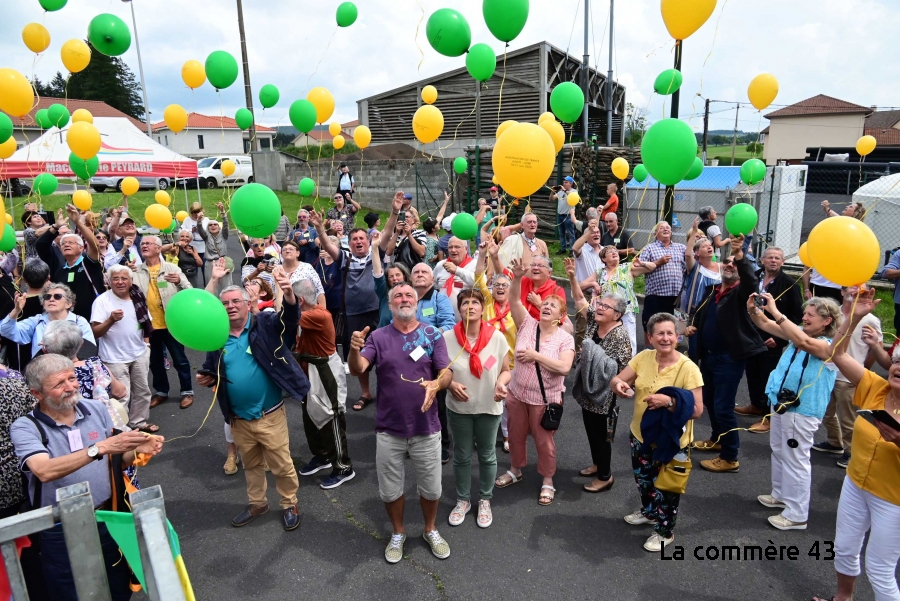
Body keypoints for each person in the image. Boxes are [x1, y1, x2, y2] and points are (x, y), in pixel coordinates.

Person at [10, 354, 164, 601]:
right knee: (71, 593)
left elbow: (113, 459)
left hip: (106, 517)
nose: (70, 386)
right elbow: (44, 470)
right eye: (59, 384)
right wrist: (99, 448)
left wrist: (135, 451)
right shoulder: (25, 427)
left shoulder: (95, 409)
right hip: (60, 529)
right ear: (37, 394)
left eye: (72, 378)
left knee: (117, 587)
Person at [348, 282, 453, 563]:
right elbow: (358, 368)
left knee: (431, 488)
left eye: (409, 295)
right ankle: (398, 533)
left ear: (417, 302)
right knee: (390, 488)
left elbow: (446, 373)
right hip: (389, 428)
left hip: (426, 427)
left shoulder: (432, 334)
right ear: (391, 305)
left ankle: (430, 529)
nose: (404, 298)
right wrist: (354, 349)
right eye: (398, 296)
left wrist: (437, 383)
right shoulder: (379, 337)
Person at [197, 270, 308, 530]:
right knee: (252, 465)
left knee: (281, 464)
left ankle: (289, 502)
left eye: (236, 301)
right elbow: (210, 369)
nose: (230, 307)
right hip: (238, 417)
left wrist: (289, 294)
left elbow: (290, 320)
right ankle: (258, 503)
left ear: (248, 304)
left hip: (269, 414)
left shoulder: (265, 325)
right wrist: (208, 378)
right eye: (225, 303)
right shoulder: (216, 337)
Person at [811, 288, 900, 601]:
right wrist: (854, 317)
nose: (898, 366)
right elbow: (836, 354)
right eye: (897, 360)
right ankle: (843, 598)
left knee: (879, 568)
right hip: (855, 483)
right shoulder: (876, 387)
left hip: (893, 500)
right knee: (845, 548)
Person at [610, 313, 704, 552]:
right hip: (641, 434)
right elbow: (620, 379)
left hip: (673, 441)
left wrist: (669, 402)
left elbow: (697, 410)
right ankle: (650, 513)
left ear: (677, 336)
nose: (665, 338)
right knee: (644, 480)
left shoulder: (688, 368)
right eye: (659, 334)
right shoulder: (643, 357)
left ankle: (665, 531)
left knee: (667, 488)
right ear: (650, 338)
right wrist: (618, 385)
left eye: (670, 333)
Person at [747, 291, 841, 530]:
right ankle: (780, 495)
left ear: (827, 321)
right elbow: (765, 323)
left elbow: (803, 343)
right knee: (779, 450)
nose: (804, 318)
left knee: (796, 460)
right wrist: (754, 310)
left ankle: (797, 514)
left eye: (810, 315)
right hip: (781, 403)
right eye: (804, 314)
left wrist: (777, 311)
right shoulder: (799, 334)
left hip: (803, 410)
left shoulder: (830, 346)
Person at [495, 258, 574, 506]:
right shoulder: (527, 324)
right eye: (546, 304)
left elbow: (564, 367)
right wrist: (517, 277)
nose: (547, 306)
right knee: (516, 436)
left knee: (544, 442)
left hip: (544, 399)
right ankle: (515, 470)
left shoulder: (564, 339)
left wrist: (535, 356)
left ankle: (548, 480)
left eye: (553, 305)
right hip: (517, 394)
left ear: (561, 316)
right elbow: (515, 300)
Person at [312, 194, 399, 412]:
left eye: (362, 239)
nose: (359, 242)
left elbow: (387, 233)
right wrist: (320, 229)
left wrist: (395, 211)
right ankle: (365, 393)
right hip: (353, 314)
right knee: (359, 354)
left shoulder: (375, 254)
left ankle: (386, 392)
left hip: (377, 312)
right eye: (354, 240)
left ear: (368, 241)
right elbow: (328, 246)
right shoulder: (344, 257)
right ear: (348, 244)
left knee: (383, 353)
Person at [687, 236, 766, 473]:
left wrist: (740, 256)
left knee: (723, 407)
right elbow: (700, 315)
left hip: (729, 359)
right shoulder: (713, 291)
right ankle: (717, 439)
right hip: (708, 356)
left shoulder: (742, 294)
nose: (730, 265)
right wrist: (694, 327)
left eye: (735, 264)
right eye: (727, 262)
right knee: (710, 401)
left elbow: (752, 282)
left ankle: (730, 457)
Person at [443, 289, 511, 528]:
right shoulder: (447, 337)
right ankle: (463, 500)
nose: (469, 306)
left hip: (488, 405)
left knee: (487, 455)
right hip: (459, 408)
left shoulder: (497, 337)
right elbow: (440, 372)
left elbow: (505, 369)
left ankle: (484, 498)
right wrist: (450, 384)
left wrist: (502, 383)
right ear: (458, 309)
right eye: (464, 303)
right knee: (461, 456)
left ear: (483, 308)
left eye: (475, 302)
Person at [566, 258, 633, 493]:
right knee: (591, 431)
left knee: (603, 436)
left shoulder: (620, 336)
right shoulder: (596, 321)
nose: (600, 308)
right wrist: (573, 277)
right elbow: (579, 300)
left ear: (617, 315)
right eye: (600, 304)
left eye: (606, 307)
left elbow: (623, 369)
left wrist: (590, 352)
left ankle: (605, 476)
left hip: (605, 396)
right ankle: (597, 464)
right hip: (588, 390)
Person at [293, 279, 354, 490]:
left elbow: (287, 318)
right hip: (308, 371)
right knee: (310, 416)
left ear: (299, 299)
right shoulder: (310, 314)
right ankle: (322, 456)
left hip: (324, 373)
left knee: (331, 417)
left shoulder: (318, 315)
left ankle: (343, 467)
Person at [812, 287, 881, 468]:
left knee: (848, 419)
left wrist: (862, 370)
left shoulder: (870, 319)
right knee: (826, 413)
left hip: (848, 377)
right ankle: (835, 442)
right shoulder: (832, 314)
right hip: (826, 372)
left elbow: (876, 348)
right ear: (842, 292)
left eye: (861, 285)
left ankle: (851, 451)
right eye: (852, 285)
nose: (858, 289)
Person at [737, 246, 804, 433]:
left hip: (772, 338)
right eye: (770, 257)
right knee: (751, 372)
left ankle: (767, 417)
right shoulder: (754, 278)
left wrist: (779, 338)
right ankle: (755, 405)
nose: (773, 260)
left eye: (777, 258)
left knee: (769, 377)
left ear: (782, 262)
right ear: (762, 260)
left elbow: (797, 317)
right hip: (750, 335)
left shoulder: (789, 284)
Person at [90, 265, 155, 432]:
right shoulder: (102, 301)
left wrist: (146, 344)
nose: (120, 282)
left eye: (124, 278)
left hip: (139, 353)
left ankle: (139, 423)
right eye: (115, 279)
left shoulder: (138, 296)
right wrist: (111, 320)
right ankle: (121, 430)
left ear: (131, 280)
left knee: (143, 392)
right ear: (109, 281)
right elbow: (95, 332)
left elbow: (145, 322)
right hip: (114, 358)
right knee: (121, 397)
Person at [134, 236, 194, 409]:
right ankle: (161, 392)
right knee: (155, 361)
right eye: (142, 243)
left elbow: (189, 291)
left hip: (171, 323)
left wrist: (179, 281)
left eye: (148, 243)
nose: (143, 245)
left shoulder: (172, 269)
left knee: (179, 359)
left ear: (158, 248)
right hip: (149, 326)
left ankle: (187, 391)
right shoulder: (136, 271)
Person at [475, 238, 516, 452]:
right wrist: (483, 255)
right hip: (489, 359)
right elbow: (478, 278)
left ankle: (508, 435)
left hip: (511, 363)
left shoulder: (516, 308)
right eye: (497, 285)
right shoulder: (488, 302)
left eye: (504, 286)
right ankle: (484, 434)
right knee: (486, 396)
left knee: (507, 402)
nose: (500, 288)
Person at [35, 204, 104, 321]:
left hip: (93, 320)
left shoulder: (88, 263)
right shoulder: (60, 270)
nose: (66, 244)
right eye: (63, 244)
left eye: (71, 243)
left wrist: (78, 222)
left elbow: (94, 245)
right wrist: (56, 226)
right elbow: (40, 244)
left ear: (81, 248)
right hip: (67, 322)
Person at [578, 245, 643, 355]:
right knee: (606, 337)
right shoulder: (600, 273)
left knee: (629, 340)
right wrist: (593, 283)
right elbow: (580, 286)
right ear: (604, 259)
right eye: (610, 252)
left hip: (626, 310)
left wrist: (643, 264)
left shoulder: (627, 267)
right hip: (607, 311)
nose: (614, 253)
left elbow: (651, 267)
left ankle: (629, 368)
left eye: (615, 251)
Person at [1, 283, 95, 357]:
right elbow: (5, 330)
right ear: (43, 303)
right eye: (47, 297)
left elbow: (89, 350)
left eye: (57, 296)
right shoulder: (36, 321)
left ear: (69, 304)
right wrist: (16, 310)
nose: (51, 299)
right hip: (42, 374)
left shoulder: (79, 322)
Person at [802, 200, 864, 303]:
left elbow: (842, 222)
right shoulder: (833, 228)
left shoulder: (853, 232)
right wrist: (827, 210)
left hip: (837, 286)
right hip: (818, 284)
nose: (847, 206)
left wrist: (828, 210)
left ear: (855, 213)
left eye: (851, 207)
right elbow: (837, 220)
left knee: (834, 314)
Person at [680, 222, 724, 362]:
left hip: (715, 313)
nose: (709, 247)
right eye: (704, 246)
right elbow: (688, 254)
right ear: (697, 253)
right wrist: (694, 232)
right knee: (694, 352)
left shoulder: (722, 268)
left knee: (710, 351)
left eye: (710, 245)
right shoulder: (694, 267)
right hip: (696, 314)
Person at [638, 221, 687, 338]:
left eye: (668, 228)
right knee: (651, 326)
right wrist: (658, 263)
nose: (665, 229)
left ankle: (674, 352)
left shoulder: (681, 248)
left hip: (677, 296)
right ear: (655, 234)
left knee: (677, 328)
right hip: (656, 296)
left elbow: (690, 266)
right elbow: (639, 269)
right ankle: (649, 351)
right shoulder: (649, 249)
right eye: (661, 228)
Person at [1, 260, 50, 373]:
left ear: (24, 279)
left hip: (19, 361)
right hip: (47, 360)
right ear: (48, 277)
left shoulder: (14, 304)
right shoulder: (54, 302)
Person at [572, 217, 604, 354]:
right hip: (584, 294)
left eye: (597, 232)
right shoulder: (582, 250)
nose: (596, 234)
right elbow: (574, 247)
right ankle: (579, 356)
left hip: (602, 295)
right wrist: (587, 231)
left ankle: (596, 356)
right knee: (582, 327)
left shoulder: (605, 250)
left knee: (601, 326)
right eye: (593, 232)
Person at [373, 234, 413, 328]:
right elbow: (378, 274)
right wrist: (374, 247)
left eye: (398, 275)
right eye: (391, 276)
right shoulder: (384, 293)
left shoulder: (413, 293)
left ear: (405, 276)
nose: (395, 278)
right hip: (384, 338)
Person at [433, 237, 477, 320]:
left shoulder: (475, 264)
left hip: (467, 319)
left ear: (466, 249)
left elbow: (480, 283)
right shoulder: (440, 265)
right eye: (450, 247)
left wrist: (457, 271)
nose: (453, 250)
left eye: (457, 247)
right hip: (442, 319)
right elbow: (432, 285)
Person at [518, 254, 566, 321]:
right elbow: (505, 275)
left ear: (549, 273)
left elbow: (561, 318)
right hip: (519, 328)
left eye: (540, 266)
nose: (535, 268)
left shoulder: (557, 291)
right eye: (533, 265)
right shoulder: (522, 282)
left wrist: (540, 304)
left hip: (542, 330)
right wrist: (497, 258)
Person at [197, 203, 231, 294]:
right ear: (208, 228)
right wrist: (199, 220)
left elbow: (226, 224)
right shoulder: (206, 237)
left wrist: (222, 211)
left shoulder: (224, 235)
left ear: (219, 227)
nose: (213, 226)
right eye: (210, 225)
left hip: (223, 262)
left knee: (227, 287)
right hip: (210, 264)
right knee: (211, 287)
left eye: (215, 224)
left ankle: (227, 305)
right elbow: (199, 229)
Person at [552, 176, 577, 254]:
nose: (564, 184)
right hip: (560, 215)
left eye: (566, 182)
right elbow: (552, 199)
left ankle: (572, 250)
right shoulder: (561, 192)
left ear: (571, 183)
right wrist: (552, 191)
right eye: (563, 182)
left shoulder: (574, 192)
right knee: (561, 233)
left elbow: (571, 196)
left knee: (571, 234)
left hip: (568, 216)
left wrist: (564, 190)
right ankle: (563, 248)